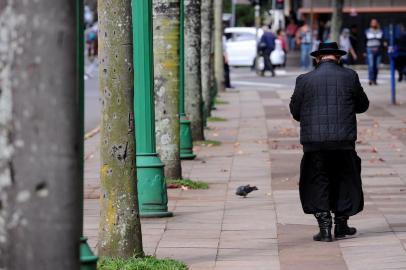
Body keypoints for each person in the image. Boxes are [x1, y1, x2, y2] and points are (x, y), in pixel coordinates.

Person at [289, 42, 369, 242]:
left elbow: (295, 112)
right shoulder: (350, 76)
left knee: (317, 181)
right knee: (345, 180)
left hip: (314, 143)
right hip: (343, 141)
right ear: (338, 58)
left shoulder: (304, 80)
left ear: (318, 59)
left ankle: (325, 228)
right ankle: (341, 225)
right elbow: (362, 105)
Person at [365, 19, 384, 85]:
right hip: (370, 49)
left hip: (378, 50)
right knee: (371, 65)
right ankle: (370, 79)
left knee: (376, 66)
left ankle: (375, 80)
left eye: (375, 22)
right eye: (373, 22)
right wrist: (364, 51)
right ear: (370, 24)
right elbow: (364, 41)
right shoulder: (367, 31)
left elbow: (383, 40)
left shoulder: (380, 31)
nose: (374, 24)